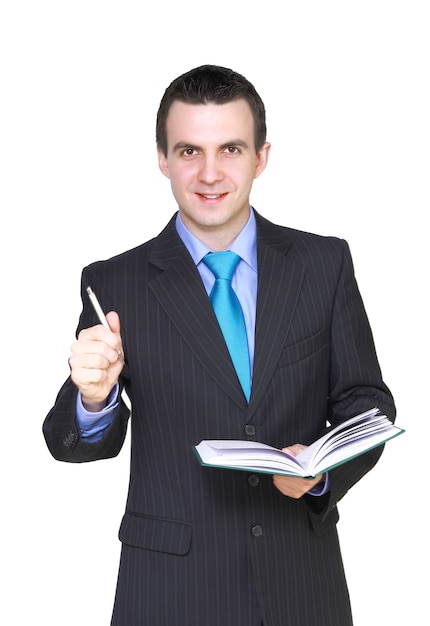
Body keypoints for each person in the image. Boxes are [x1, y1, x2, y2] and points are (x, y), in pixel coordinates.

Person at [43, 64, 396, 626]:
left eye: (230, 148)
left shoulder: (323, 265)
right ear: (162, 159)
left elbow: (367, 403)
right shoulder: (115, 283)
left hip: (301, 584)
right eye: (188, 152)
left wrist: (321, 471)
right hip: (169, 591)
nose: (209, 173)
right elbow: (74, 444)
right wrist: (93, 399)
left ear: (261, 157)